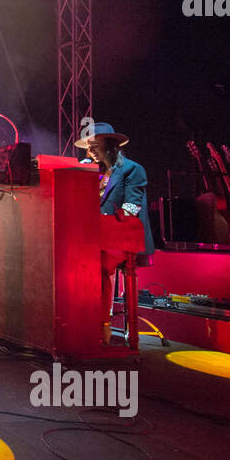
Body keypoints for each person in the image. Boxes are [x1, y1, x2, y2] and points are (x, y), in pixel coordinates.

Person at [76, 123, 154, 343]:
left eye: (94, 144)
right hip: (94, 235)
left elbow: (132, 207)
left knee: (102, 261)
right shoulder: (92, 171)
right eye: (88, 146)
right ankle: (77, 320)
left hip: (121, 237)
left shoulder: (132, 169)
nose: (90, 150)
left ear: (110, 145)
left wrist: (109, 220)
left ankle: (103, 324)